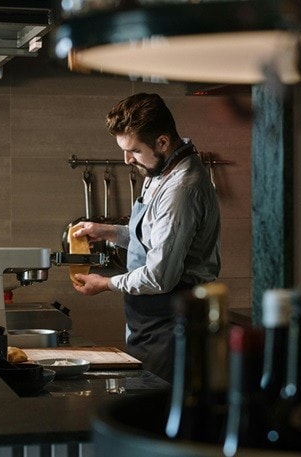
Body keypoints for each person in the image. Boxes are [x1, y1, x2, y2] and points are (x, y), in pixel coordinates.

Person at [71, 93, 221, 382]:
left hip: (173, 323)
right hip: (150, 320)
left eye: (134, 151)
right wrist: (109, 232)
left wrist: (105, 284)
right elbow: (152, 239)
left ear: (162, 142)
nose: (127, 160)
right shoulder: (160, 169)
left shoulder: (182, 189)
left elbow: (159, 276)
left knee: (159, 412)